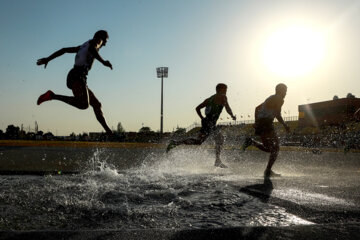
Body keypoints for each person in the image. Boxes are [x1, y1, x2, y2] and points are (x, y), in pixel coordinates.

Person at [36, 30, 113, 135]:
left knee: (96, 104)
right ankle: (52, 96)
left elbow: (64, 50)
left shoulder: (82, 46)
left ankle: (109, 132)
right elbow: (93, 49)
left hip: (78, 76)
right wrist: (104, 62)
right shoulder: (97, 41)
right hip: (77, 75)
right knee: (84, 104)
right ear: (101, 38)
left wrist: (48, 59)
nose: (105, 44)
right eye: (105, 41)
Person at [166, 83, 236, 168]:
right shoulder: (222, 97)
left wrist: (202, 118)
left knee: (199, 141)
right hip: (210, 122)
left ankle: (175, 143)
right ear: (220, 89)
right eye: (225, 89)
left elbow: (197, 108)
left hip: (207, 121)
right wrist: (232, 115)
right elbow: (227, 107)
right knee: (219, 138)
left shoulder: (209, 99)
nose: (226, 91)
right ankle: (217, 161)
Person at [241, 83, 290, 177]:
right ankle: (267, 171)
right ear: (280, 91)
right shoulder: (279, 99)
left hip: (262, 123)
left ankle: (251, 142)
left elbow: (257, 109)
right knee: (275, 149)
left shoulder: (270, 98)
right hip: (266, 123)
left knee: (270, 149)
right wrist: (285, 125)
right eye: (285, 91)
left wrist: (256, 122)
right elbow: (278, 114)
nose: (286, 93)